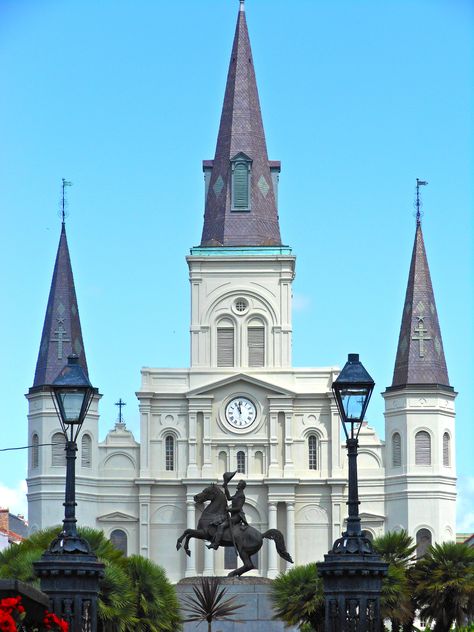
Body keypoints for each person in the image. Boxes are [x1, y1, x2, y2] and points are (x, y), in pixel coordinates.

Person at [207, 475, 248, 550]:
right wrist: (225, 487)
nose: (237, 485)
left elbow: (238, 508)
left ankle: (216, 545)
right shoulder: (237, 494)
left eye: (239, 484)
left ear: (241, 486)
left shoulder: (241, 496)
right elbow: (229, 498)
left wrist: (229, 510)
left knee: (221, 526)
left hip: (237, 517)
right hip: (233, 515)